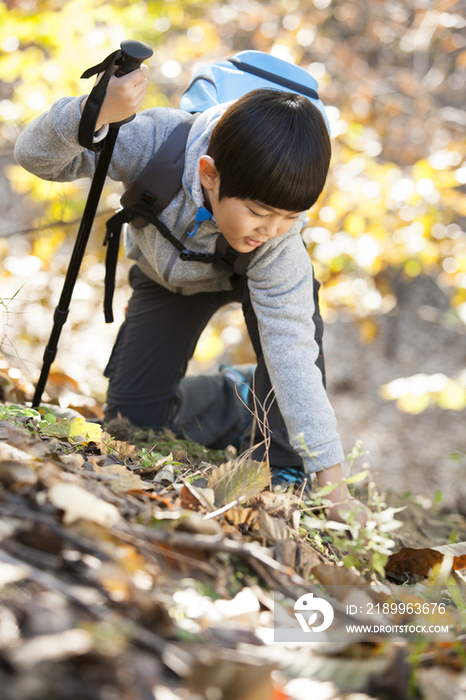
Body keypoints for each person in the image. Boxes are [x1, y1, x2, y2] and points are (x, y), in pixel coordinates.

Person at [14, 61, 370, 525]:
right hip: (168, 279)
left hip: (246, 275)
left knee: (285, 369)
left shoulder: (278, 246)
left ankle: (281, 456)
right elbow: (35, 157)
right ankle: (236, 394)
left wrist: (333, 483)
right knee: (132, 424)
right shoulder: (154, 142)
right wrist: (92, 113)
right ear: (208, 173)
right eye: (260, 211)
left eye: (291, 216)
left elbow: (294, 358)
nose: (275, 229)